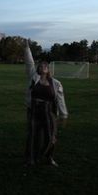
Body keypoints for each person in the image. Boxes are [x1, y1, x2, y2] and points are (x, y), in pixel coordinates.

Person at [24, 39, 68, 167]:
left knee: (51, 137)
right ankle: (31, 159)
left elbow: (60, 99)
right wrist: (27, 48)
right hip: (34, 111)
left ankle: (48, 157)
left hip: (49, 112)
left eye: (45, 65)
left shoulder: (55, 83)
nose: (43, 66)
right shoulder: (33, 77)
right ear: (38, 68)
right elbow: (29, 63)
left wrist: (64, 115)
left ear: (48, 69)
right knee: (33, 136)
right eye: (41, 65)